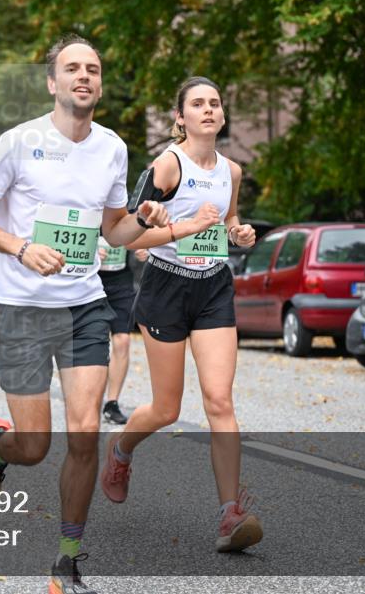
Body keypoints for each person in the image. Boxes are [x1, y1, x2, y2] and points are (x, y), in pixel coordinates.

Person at [0, 35, 168, 594]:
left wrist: (142, 220)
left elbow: (114, 229)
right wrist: (21, 248)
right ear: (53, 82)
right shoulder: (18, 141)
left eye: (93, 69)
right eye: (72, 68)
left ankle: (67, 561)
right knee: (35, 445)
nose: (83, 76)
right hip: (24, 309)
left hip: (84, 305)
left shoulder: (113, 148)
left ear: (99, 83)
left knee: (84, 433)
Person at [98, 76, 262, 554]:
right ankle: (122, 451)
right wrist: (179, 227)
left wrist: (239, 233)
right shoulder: (168, 167)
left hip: (213, 287)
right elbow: (126, 237)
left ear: (223, 115)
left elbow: (228, 222)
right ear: (180, 118)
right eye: (198, 103)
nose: (208, 109)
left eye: (215, 102)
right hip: (167, 288)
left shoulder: (231, 171)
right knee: (166, 409)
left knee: (219, 400)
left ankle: (230, 513)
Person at [97, 239, 136, 424]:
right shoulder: (90, 209)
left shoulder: (126, 209)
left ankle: (112, 403)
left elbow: (140, 235)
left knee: (123, 340)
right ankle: (89, 398)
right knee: (96, 343)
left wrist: (141, 250)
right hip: (92, 281)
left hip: (121, 282)